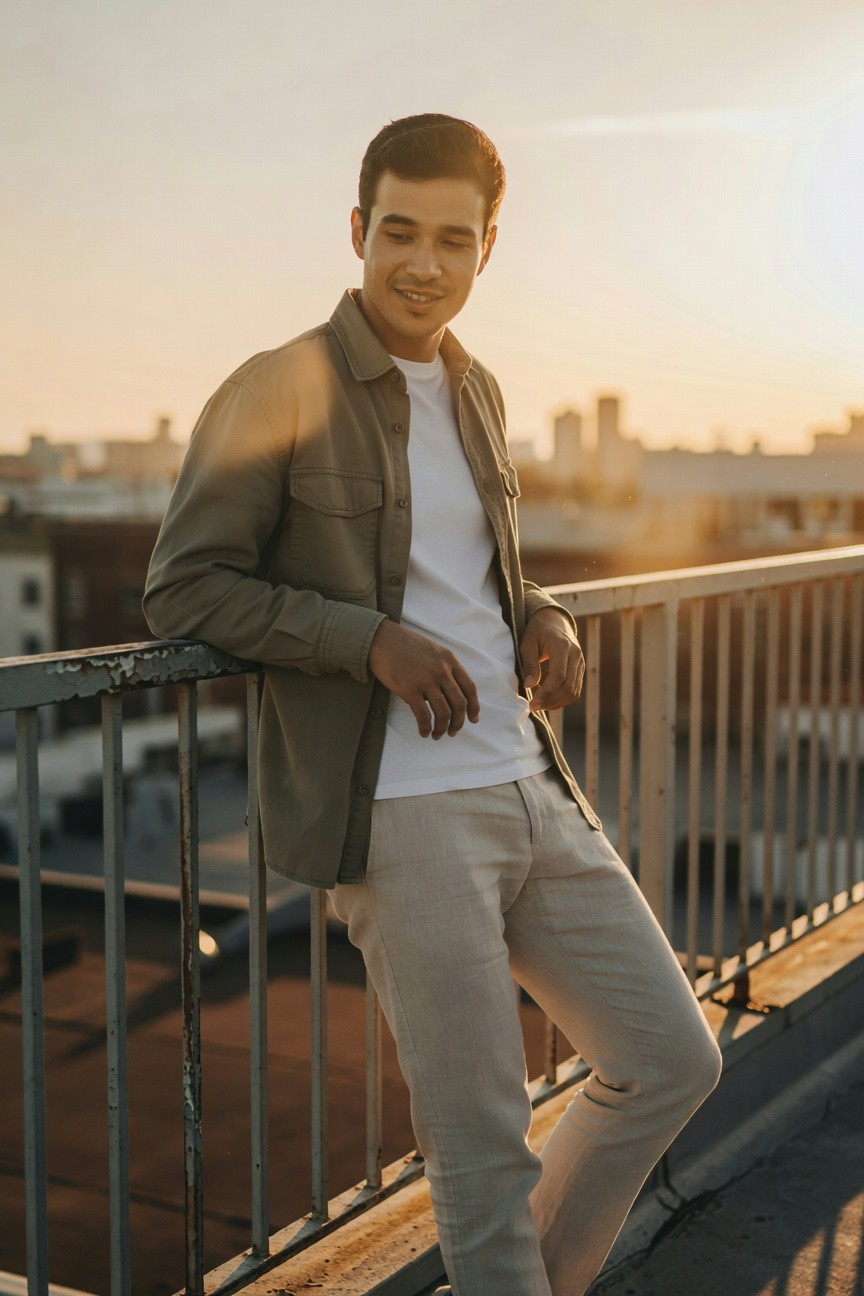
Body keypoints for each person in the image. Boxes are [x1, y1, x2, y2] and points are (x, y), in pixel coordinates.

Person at [144, 113, 721, 1296]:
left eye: (451, 239)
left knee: (670, 1056)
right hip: (401, 814)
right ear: (358, 231)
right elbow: (185, 584)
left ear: (486, 250)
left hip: (529, 780)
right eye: (398, 231)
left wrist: (545, 615)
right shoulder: (279, 386)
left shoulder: (477, 389)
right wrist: (368, 644)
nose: (423, 262)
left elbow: (472, 573)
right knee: (482, 1156)